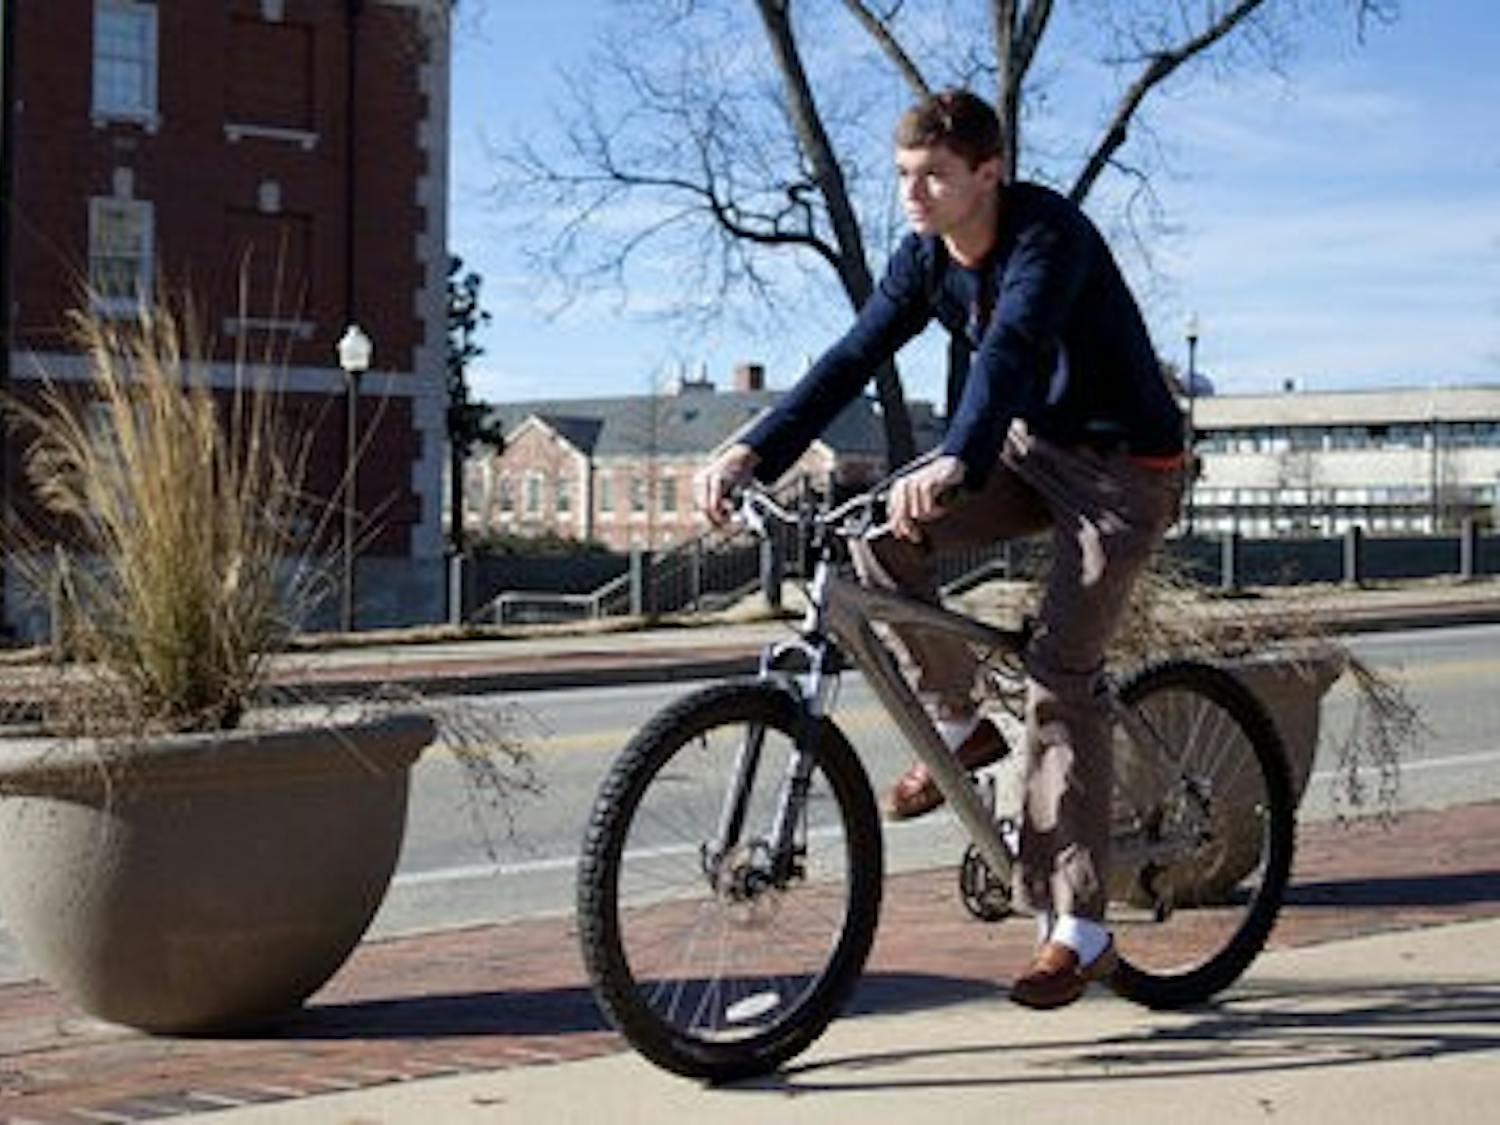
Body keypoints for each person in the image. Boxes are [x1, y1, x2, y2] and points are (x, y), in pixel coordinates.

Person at [695, 89, 1184, 1010]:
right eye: (903, 177)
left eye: (934, 177)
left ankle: (1077, 926)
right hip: (1031, 449)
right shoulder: (925, 257)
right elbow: (850, 355)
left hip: (1125, 470)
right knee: (877, 534)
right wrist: (752, 447)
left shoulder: (1048, 238)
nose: (913, 194)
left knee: (1060, 672)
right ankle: (958, 723)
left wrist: (957, 452)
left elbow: (1010, 348)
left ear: (987, 174)